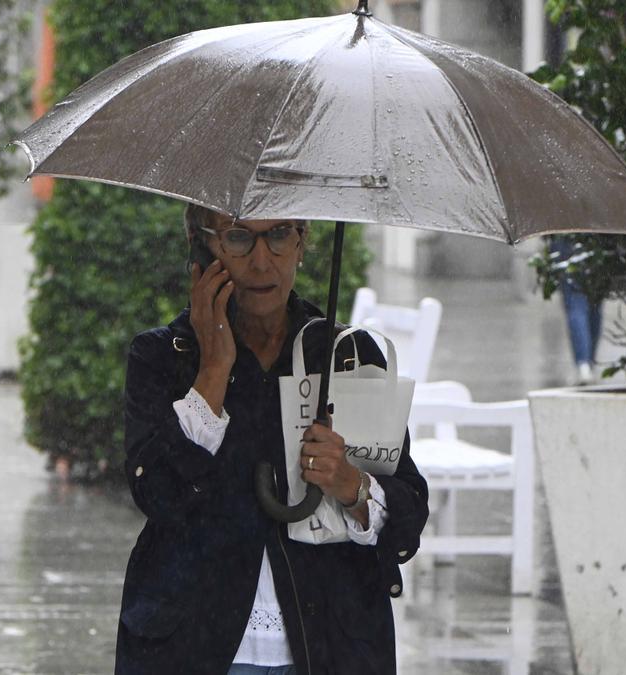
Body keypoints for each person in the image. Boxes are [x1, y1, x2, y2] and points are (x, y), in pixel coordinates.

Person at [116, 204, 429, 674]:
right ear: (203, 248)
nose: (262, 262)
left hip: (330, 647)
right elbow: (157, 493)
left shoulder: (346, 357)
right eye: (239, 238)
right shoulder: (163, 356)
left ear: (302, 242)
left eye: (280, 234)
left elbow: (408, 512)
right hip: (192, 646)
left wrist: (351, 484)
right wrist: (213, 371)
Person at [549, 236, 603, 385]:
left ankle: (583, 363)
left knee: (576, 303)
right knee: (594, 303)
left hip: (567, 235)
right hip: (596, 237)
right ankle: (588, 362)